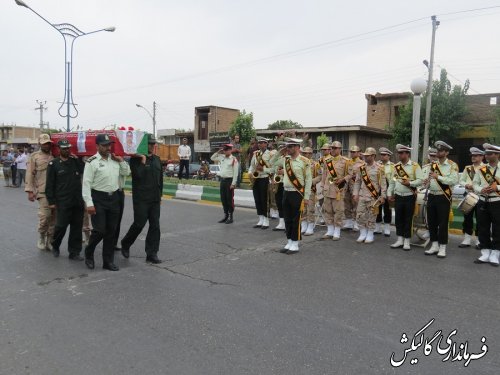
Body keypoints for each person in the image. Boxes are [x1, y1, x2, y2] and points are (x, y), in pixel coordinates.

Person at [82, 134, 130, 271]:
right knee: (100, 230)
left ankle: (107, 261)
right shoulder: (92, 162)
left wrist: (121, 161)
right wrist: (89, 203)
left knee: (111, 232)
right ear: (97, 146)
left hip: (114, 198)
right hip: (98, 199)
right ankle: (89, 252)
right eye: (104, 145)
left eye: (109, 145)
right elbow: (86, 184)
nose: (108, 147)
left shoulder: (115, 160)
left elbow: (127, 172)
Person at [121, 136, 163, 264]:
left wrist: (160, 195)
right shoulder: (136, 160)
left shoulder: (157, 159)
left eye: (153, 144)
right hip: (141, 198)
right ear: (144, 145)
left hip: (155, 198)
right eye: (149, 144)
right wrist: (143, 160)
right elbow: (137, 176)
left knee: (155, 226)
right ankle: (126, 243)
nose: (151, 146)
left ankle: (152, 253)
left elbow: (160, 179)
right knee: (139, 224)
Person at [45, 139, 85, 260]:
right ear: (59, 149)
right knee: (61, 226)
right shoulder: (54, 164)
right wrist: (51, 202)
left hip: (77, 200)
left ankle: (74, 252)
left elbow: (84, 170)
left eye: (68, 148)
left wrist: (78, 159)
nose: (67, 150)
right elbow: (49, 185)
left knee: (77, 228)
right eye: (64, 148)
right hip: (63, 201)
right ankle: (55, 245)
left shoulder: (74, 161)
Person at [422, 141, 459, 258]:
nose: (438, 152)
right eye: (437, 150)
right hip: (432, 195)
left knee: (443, 223)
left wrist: (438, 177)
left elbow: (453, 181)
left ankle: (442, 246)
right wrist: (426, 183)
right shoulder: (432, 165)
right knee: (431, 222)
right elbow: (428, 181)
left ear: (446, 152)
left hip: (444, 196)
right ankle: (434, 245)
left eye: (441, 150)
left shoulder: (452, 165)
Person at [277, 138, 312, 254]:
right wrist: (279, 152)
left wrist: (306, 197)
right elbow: (271, 163)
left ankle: (295, 243)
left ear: (297, 147)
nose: (288, 148)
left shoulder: (305, 161)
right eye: (288, 146)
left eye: (291, 146)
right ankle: (289, 241)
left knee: (295, 219)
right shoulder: (285, 160)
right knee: (287, 218)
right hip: (286, 192)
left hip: (297, 193)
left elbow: (308, 180)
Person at [387, 144, 423, 251]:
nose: (400, 155)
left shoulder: (415, 166)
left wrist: (410, 183)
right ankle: (399, 239)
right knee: (398, 218)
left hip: (409, 196)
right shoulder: (396, 167)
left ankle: (407, 240)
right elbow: (392, 181)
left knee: (408, 219)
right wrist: (389, 193)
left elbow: (420, 180)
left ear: (407, 154)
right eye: (399, 153)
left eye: (402, 153)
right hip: (398, 196)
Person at [25, 134, 55, 251]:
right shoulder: (34, 156)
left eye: (48, 143)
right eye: (44, 143)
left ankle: (50, 240)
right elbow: (29, 174)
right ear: (39, 144)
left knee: (54, 218)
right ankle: (42, 236)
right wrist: (30, 191)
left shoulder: (55, 155)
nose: (46, 145)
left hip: (56, 192)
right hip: (42, 191)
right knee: (45, 216)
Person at [473, 143, 500, 266]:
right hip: (483, 201)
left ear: (497, 155)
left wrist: (497, 187)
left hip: (497, 201)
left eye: (490, 154)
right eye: (486, 154)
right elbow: (475, 184)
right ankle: (485, 252)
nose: (487, 156)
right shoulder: (481, 169)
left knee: (497, 228)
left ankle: (495, 253)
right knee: (483, 227)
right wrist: (480, 190)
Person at [353, 148, 387, 243]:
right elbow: (357, 182)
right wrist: (355, 194)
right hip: (362, 196)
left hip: (373, 197)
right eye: (365, 155)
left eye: (367, 156)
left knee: (372, 216)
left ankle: (370, 234)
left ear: (373, 156)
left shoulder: (379, 168)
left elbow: (383, 184)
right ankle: (363, 233)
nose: (365, 157)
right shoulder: (362, 168)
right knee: (359, 215)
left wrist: (383, 196)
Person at [321, 142, 351, 240]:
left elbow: (350, 174)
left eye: (335, 148)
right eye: (331, 148)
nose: (332, 150)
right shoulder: (327, 160)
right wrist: (322, 185)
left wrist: (343, 179)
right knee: (327, 210)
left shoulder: (346, 161)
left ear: (340, 149)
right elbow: (324, 174)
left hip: (338, 190)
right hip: (327, 188)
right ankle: (330, 230)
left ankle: (337, 231)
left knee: (338, 211)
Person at [458, 147, 485, 249]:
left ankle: (479, 240)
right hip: (469, 195)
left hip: (481, 196)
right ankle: (467, 239)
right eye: (472, 156)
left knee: (481, 219)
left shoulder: (485, 168)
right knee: (467, 218)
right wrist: (466, 185)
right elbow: (461, 180)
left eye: (476, 156)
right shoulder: (468, 168)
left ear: (482, 157)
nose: (473, 157)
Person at [248, 136, 273, 229]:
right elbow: (251, 166)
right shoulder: (256, 154)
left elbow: (272, 169)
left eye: (263, 143)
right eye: (259, 143)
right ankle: (260, 218)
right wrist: (250, 173)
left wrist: (263, 169)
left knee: (264, 199)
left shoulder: (270, 154)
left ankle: (266, 219)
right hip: (256, 178)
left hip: (264, 178)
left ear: (266, 144)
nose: (261, 144)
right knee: (257, 199)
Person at [211, 143, 239, 224]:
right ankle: (225, 215)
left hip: (229, 181)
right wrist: (218, 152)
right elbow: (212, 158)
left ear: (230, 150)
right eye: (224, 150)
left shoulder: (234, 159)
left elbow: (235, 173)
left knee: (229, 199)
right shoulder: (221, 157)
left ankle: (230, 217)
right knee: (223, 199)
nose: (225, 151)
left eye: (226, 150)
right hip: (222, 181)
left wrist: (233, 184)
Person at [301, 147, 321, 236]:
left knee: (310, 208)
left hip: (310, 189)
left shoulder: (316, 164)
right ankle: (303, 224)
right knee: (302, 208)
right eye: (305, 153)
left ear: (312, 154)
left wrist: (312, 181)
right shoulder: (299, 163)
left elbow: (320, 176)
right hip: (300, 189)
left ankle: (310, 225)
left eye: (309, 153)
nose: (307, 155)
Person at [343, 145, 364, 231]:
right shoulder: (347, 162)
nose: (352, 153)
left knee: (356, 204)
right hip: (346, 186)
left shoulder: (362, 163)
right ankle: (348, 221)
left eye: (354, 152)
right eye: (351, 152)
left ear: (359, 153)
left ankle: (356, 222)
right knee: (346, 203)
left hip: (355, 186)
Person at [374, 147, 394, 236]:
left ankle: (387, 228)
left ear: (389, 156)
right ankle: (377, 228)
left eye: (384, 155)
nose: (382, 156)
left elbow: (394, 179)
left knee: (387, 209)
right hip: (378, 188)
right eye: (381, 155)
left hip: (388, 188)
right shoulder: (376, 164)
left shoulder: (393, 166)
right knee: (377, 207)